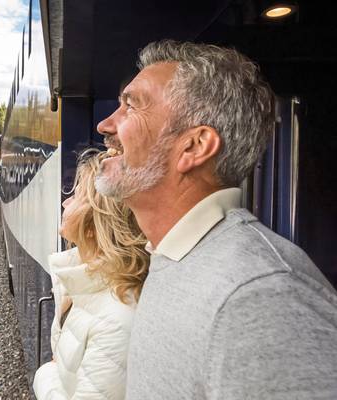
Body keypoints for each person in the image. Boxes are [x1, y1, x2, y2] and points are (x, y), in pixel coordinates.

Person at [95, 39, 337, 399]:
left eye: (132, 106)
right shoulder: (177, 258)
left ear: (193, 147)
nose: (104, 125)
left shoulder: (260, 297)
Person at [33, 151, 150, 399]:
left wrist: (45, 374)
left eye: (75, 196)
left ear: (95, 222)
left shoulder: (117, 319)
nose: (65, 203)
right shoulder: (85, 284)